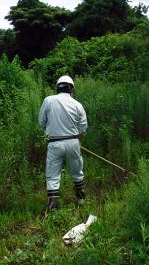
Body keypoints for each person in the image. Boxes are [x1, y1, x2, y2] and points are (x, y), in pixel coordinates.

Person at [38, 75, 88, 212]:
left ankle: (53, 205)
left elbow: (41, 122)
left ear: (58, 88)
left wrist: (53, 129)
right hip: (73, 142)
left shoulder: (48, 100)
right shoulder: (77, 104)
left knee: (52, 174)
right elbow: (83, 127)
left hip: (54, 143)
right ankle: (81, 199)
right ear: (71, 88)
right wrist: (77, 136)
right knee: (77, 171)